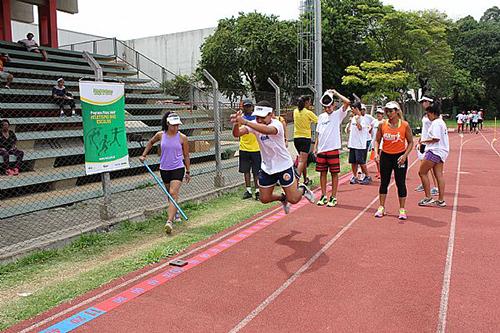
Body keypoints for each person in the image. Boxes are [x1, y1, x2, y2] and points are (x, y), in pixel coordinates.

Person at [231, 100, 315, 214]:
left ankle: (303, 189)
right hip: (267, 167)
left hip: (283, 166)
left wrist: (246, 122)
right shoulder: (255, 125)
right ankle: (282, 198)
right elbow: (237, 134)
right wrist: (236, 123)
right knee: (264, 198)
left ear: (271, 115)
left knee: (294, 199)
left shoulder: (277, 124)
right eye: (257, 117)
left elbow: (269, 131)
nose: (259, 120)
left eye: (262, 117)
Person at [139, 112, 191, 234]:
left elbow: (186, 155)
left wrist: (188, 171)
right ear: (167, 124)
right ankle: (175, 212)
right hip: (164, 169)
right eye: (173, 125)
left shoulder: (182, 138)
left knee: (173, 192)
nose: (176, 127)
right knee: (170, 194)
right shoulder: (160, 135)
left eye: (177, 125)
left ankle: (169, 221)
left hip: (178, 168)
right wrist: (144, 155)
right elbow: (151, 142)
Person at [373, 101, 414, 220]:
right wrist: (376, 153)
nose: (388, 113)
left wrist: (405, 155)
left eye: (391, 111)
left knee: (400, 183)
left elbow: (411, 142)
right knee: (384, 182)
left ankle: (402, 209)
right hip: (386, 156)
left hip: (400, 158)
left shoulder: (404, 125)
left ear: (396, 111)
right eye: (387, 111)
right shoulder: (382, 124)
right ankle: (381, 207)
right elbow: (377, 140)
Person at [313, 89, 350, 207]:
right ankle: (323, 195)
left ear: (333, 105)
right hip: (322, 150)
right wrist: (315, 147)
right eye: (325, 107)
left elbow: (347, 102)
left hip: (333, 148)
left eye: (329, 106)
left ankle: (333, 197)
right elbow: (319, 133)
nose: (327, 109)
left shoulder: (338, 114)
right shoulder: (321, 117)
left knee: (334, 174)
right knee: (322, 173)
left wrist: (336, 93)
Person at [418, 101, 449, 207]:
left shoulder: (436, 123)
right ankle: (441, 200)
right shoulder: (441, 122)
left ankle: (428, 197)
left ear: (433, 113)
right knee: (438, 175)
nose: (428, 117)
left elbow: (436, 138)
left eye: (428, 114)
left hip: (434, 150)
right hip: (442, 151)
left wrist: (423, 141)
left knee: (422, 172)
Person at [233, 99, 261, 200]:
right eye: (246, 106)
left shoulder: (256, 119)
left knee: (256, 171)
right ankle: (248, 189)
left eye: (249, 106)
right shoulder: (241, 119)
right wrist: (236, 121)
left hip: (256, 148)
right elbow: (237, 133)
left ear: (252, 107)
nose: (247, 108)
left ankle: (258, 190)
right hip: (244, 148)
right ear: (243, 107)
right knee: (246, 170)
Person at [415, 96, 439, 196]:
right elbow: (425, 129)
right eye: (422, 102)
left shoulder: (433, 115)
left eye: (424, 101)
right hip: (423, 142)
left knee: (431, 166)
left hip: (429, 143)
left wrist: (427, 140)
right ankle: (424, 183)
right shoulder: (426, 115)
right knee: (422, 164)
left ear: (429, 102)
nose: (423, 104)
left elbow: (434, 130)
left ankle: (436, 187)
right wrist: (420, 140)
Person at [293, 95, 317, 185]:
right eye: (310, 102)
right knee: (302, 161)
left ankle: (305, 179)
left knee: (303, 160)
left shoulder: (295, 111)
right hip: (305, 138)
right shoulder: (308, 112)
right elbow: (318, 120)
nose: (310, 104)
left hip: (296, 138)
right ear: (306, 103)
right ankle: (296, 181)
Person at [347, 101, 372, 185]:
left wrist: (358, 121)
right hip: (353, 144)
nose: (352, 111)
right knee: (353, 161)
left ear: (356, 109)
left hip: (360, 144)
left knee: (361, 162)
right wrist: (351, 121)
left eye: (353, 109)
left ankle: (368, 176)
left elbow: (360, 128)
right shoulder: (353, 118)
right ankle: (354, 176)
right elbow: (349, 130)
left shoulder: (363, 119)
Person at [371, 108, 385, 179]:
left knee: (380, 158)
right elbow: (371, 131)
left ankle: (382, 172)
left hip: (382, 143)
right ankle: (379, 171)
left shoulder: (384, 122)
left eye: (380, 113)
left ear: (382, 115)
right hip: (374, 142)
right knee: (376, 159)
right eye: (377, 113)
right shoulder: (374, 122)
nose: (378, 115)